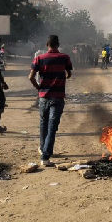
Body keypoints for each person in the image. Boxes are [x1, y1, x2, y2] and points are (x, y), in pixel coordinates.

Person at [28, 35, 73, 167]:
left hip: (43, 96)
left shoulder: (39, 58)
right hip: (57, 97)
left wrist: (38, 88)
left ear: (47, 44)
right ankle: (45, 156)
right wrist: (64, 76)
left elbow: (30, 77)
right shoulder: (65, 58)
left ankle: (43, 148)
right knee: (52, 126)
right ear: (58, 44)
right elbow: (69, 74)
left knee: (44, 123)